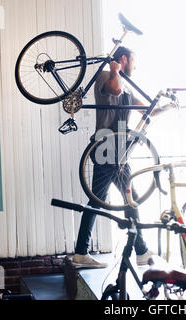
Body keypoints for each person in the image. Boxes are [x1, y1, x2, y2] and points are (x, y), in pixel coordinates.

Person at [71, 46, 154, 268]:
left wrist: (165, 104)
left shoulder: (126, 84)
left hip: (118, 147)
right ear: (124, 59)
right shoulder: (107, 76)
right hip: (107, 143)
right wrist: (115, 70)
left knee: (103, 200)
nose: (135, 66)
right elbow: (114, 91)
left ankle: (83, 252)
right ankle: (141, 250)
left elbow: (146, 109)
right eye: (133, 61)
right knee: (125, 198)